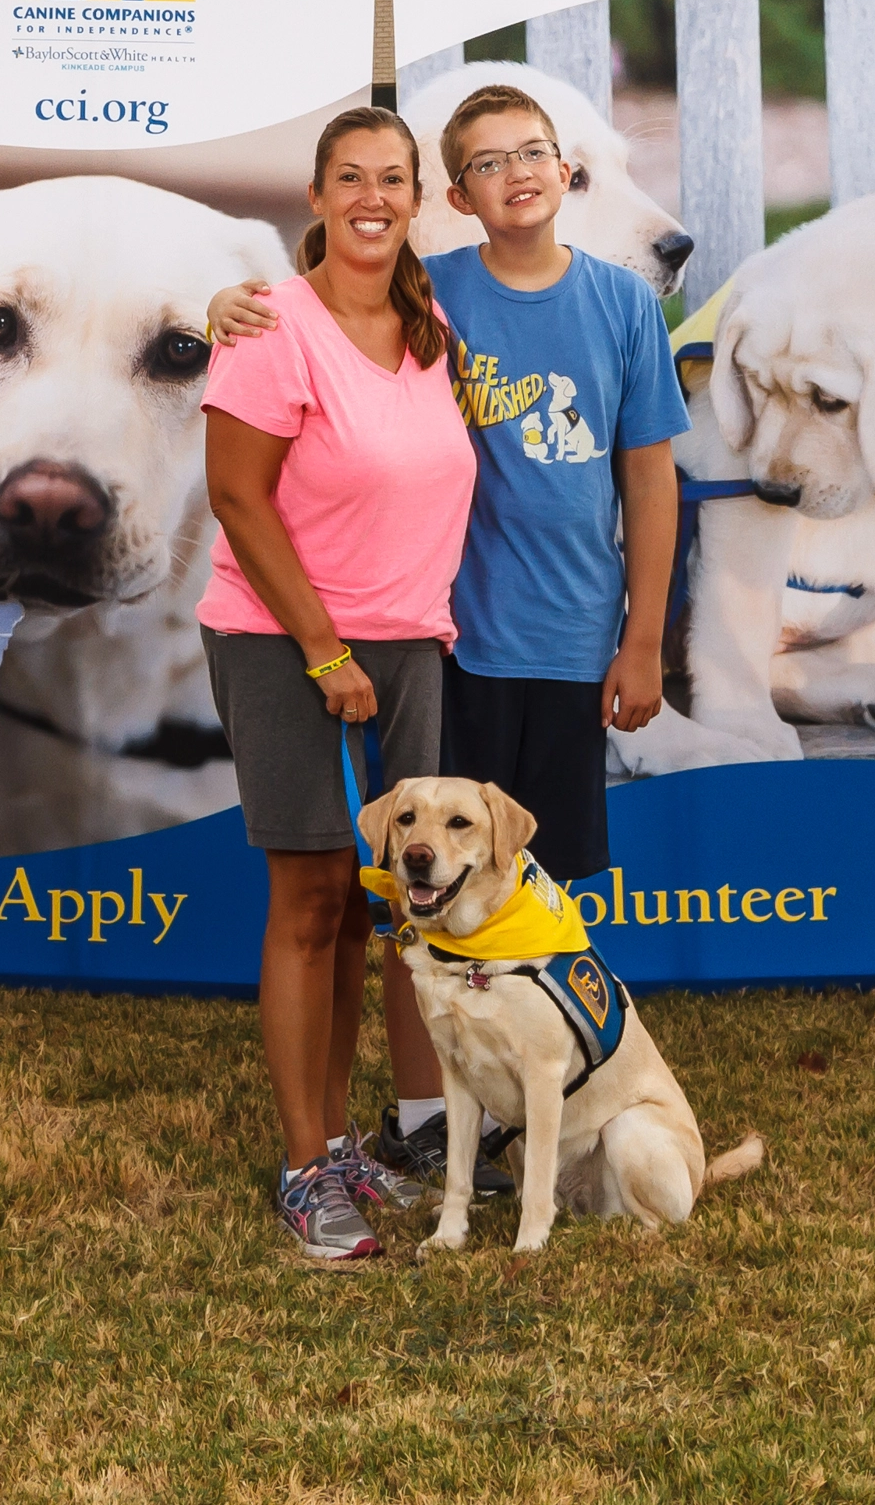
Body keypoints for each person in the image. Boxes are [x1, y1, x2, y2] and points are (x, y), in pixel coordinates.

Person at [207, 81, 690, 1186]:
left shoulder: (557, 308)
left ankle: (499, 1108)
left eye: (538, 153)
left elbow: (649, 474)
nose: (518, 174)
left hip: (513, 643)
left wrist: (644, 637)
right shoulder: (423, 299)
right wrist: (223, 307)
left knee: (500, 893)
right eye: (487, 160)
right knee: (375, 891)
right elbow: (283, 366)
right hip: (431, 643)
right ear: (457, 198)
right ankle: (373, 1133)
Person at [198, 104, 488, 1261]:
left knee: (376, 905)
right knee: (312, 894)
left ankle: (338, 1141)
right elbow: (236, 498)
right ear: (316, 197)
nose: (373, 197)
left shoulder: (429, 319)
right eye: (351, 178)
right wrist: (325, 653)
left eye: (394, 180)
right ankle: (302, 1165)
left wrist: (383, 647)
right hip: (285, 640)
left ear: (417, 199)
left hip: (409, 639)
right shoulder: (273, 321)